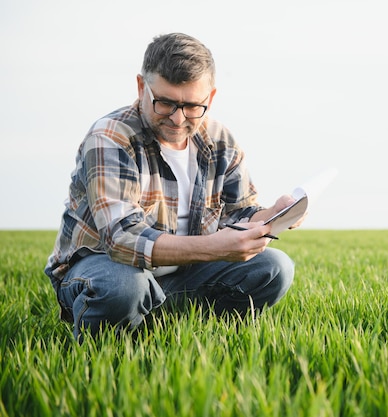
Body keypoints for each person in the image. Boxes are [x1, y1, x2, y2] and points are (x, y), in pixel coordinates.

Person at [44, 33, 301, 341]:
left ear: (211, 97)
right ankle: (103, 341)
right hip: (104, 269)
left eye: (193, 106)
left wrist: (270, 217)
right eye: (165, 103)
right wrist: (215, 247)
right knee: (126, 287)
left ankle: (183, 331)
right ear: (141, 88)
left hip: (182, 275)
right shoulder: (110, 137)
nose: (178, 119)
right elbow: (121, 239)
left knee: (275, 267)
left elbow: (237, 214)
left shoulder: (220, 140)